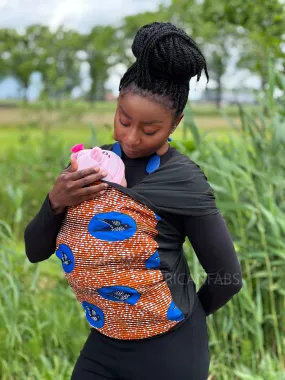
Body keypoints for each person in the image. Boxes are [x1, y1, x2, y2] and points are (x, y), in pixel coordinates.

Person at [24, 22, 243, 380]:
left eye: (150, 129)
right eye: (124, 120)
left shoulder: (183, 180)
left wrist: (181, 319)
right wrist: (55, 200)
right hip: (103, 343)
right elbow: (35, 250)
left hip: (170, 353)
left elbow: (228, 277)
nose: (132, 138)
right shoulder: (91, 165)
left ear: (176, 123)